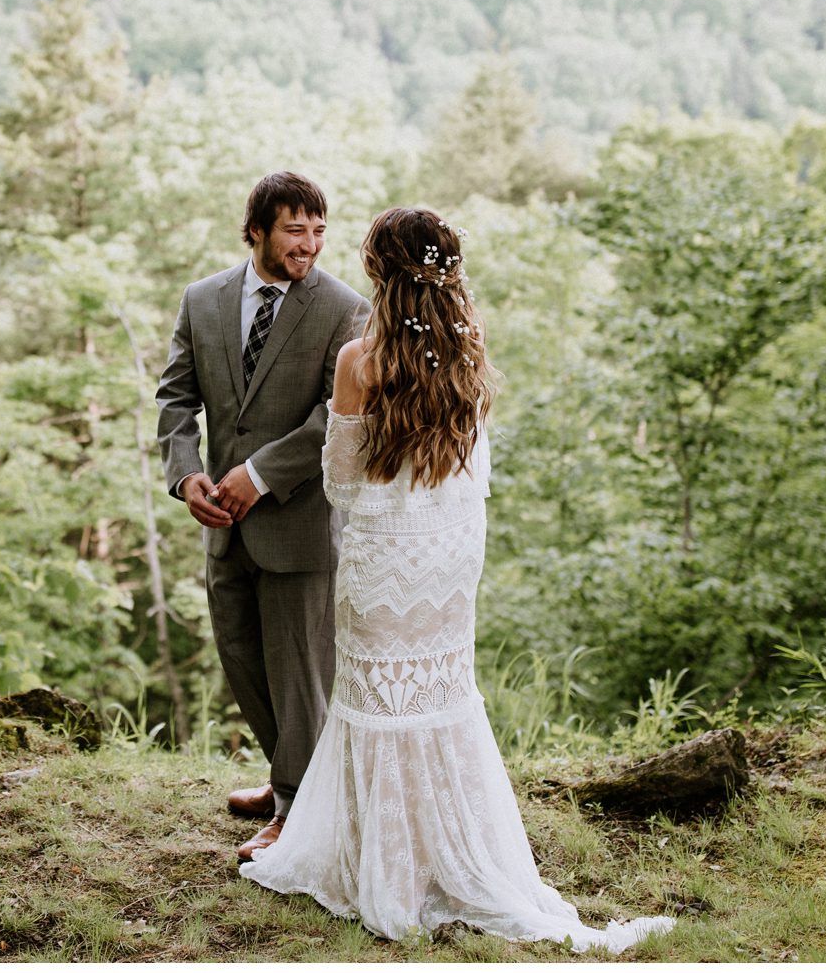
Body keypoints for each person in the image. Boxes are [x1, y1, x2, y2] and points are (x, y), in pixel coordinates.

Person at [238, 207, 676, 951]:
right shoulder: (467, 351)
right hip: (446, 562)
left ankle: (384, 863)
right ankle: (446, 852)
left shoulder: (360, 361)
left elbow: (343, 486)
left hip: (381, 561)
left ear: (381, 272)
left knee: (376, 701)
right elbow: (472, 471)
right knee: (438, 700)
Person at [156, 171, 371, 861]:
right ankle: (293, 777)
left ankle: (296, 808)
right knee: (241, 656)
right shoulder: (202, 301)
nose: (308, 244)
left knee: (299, 670)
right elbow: (175, 399)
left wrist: (258, 474)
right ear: (255, 230)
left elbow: (336, 418)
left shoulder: (344, 310)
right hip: (221, 523)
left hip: (300, 522)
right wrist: (188, 474)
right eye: (293, 230)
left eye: (318, 231)